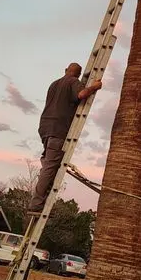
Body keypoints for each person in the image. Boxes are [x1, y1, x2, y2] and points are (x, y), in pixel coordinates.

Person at [27, 63, 102, 214]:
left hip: (45, 127)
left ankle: (41, 199)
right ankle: (36, 205)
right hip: (59, 129)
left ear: (65, 70)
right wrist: (94, 87)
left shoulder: (54, 84)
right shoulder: (73, 82)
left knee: (48, 164)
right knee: (50, 168)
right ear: (78, 75)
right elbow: (81, 95)